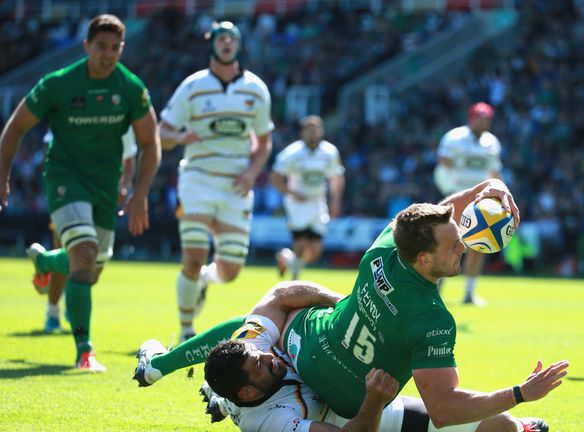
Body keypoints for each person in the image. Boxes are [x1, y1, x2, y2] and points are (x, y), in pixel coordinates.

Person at [134, 281, 550, 432]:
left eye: (261, 355)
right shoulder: (273, 421)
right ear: (248, 394)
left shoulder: (257, 353)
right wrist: (372, 399)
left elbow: (280, 295)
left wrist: (345, 310)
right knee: (505, 429)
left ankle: (164, 368)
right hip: (351, 418)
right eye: (260, 366)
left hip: (318, 387)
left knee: (253, 323)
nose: (268, 358)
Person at [0, 14, 161, 371]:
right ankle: (84, 351)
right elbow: (16, 127)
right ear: (86, 46)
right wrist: (3, 173)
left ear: (122, 48)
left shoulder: (131, 87)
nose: (107, 54)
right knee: (85, 253)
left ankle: (45, 261)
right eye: (100, 46)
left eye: (115, 48)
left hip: (106, 185)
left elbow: (151, 143)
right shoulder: (59, 83)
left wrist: (140, 192)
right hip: (65, 177)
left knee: (91, 269)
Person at [158, 21, 273, 341]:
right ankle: (185, 331)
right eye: (221, 38)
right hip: (198, 179)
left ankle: (206, 281)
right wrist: (182, 135)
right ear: (212, 45)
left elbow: (264, 142)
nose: (226, 43)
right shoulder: (193, 86)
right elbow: (162, 133)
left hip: (236, 185)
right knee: (192, 256)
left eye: (231, 39)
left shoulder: (255, 89)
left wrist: (252, 172)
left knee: (231, 271)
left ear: (238, 46)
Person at [37, 129, 138, 334]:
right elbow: (49, 146)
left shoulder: (120, 115)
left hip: (103, 195)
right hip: (70, 192)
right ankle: (53, 312)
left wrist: (125, 186)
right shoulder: (71, 105)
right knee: (65, 246)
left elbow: (129, 157)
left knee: (92, 266)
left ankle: (46, 261)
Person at [433, 102, 502, 305]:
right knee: (447, 243)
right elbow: (443, 160)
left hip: (481, 200)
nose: (483, 122)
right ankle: (436, 289)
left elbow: (495, 171)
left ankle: (470, 292)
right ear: (471, 118)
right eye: (480, 117)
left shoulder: (492, 142)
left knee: (480, 244)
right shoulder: (455, 137)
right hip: (456, 194)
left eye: (487, 118)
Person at [270, 115, 345, 280]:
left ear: (322, 131)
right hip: (297, 204)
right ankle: (294, 279)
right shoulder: (292, 152)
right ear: (302, 132)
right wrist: (292, 193)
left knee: (316, 251)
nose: (313, 133)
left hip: (318, 202)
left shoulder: (329, 152)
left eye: (316, 129)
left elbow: (336, 177)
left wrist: (336, 201)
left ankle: (286, 259)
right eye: (309, 129)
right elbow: (274, 177)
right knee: (301, 245)